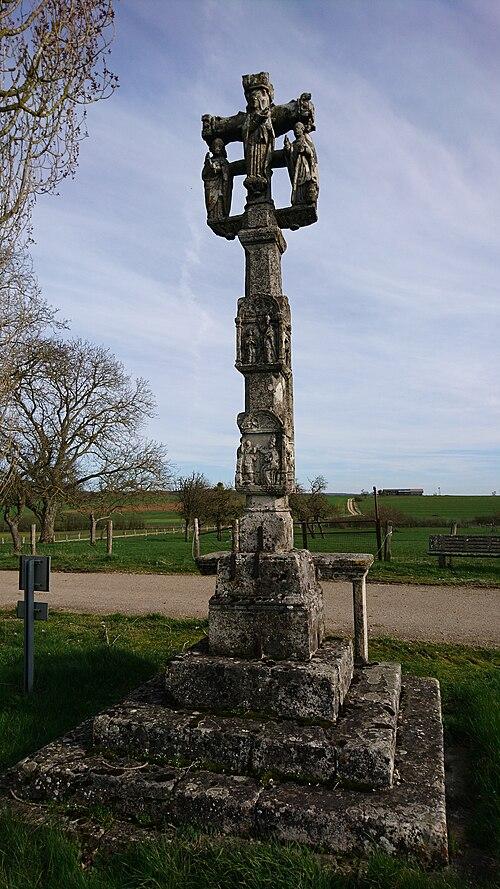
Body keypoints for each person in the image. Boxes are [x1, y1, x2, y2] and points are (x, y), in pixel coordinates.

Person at [284, 122, 319, 206]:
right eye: (295, 130)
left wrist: (304, 149)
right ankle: (298, 201)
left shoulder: (306, 140)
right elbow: (290, 155)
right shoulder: (294, 143)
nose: (296, 131)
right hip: (296, 167)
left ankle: (305, 200)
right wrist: (288, 148)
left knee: (305, 182)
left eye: (298, 129)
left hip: (304, 166)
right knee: (297, 183)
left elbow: (311, 153)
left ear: (302, 129)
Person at [202, 138, 232, 220]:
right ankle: (211, 215)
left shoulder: (223, 161)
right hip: (210, 185)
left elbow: (226, 173)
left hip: (219, 186)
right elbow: (204, 174)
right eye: (215, 147)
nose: (217, 149)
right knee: (210, 202)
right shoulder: (209, 160)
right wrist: (209, 166)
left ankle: (220, 215)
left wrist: (217, 168)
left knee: (219, 198)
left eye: (219, 147)